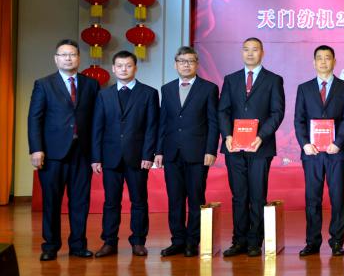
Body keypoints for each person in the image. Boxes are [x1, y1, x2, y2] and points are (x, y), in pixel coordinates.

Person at [28, 39, 100, 261]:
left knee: (80, 202)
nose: (68, 58)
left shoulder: (91, 85)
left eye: (72, 54)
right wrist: (36, 149)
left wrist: (96, 154)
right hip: (52, 154)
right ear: (56, 59)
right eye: (64, 55)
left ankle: (78, 245)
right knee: (52, 201)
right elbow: (34, 119)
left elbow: (96, 121)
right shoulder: (44, 84)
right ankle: (50, 246)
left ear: (79, 58)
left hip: (82, 153)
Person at [219, 37, 285, 257]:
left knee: (257, 195)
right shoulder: (231, 79)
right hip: (234, 147)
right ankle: (238, 241)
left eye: (254, 49)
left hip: (260, 147)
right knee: (239, 196)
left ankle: (255, 241)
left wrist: (261, 136)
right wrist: (227, 135)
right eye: (246, 49)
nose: (250, 53)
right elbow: (223, 111)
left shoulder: (273, 80)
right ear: (241, 52)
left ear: (262, 53)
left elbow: (277, 113)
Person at [90, 51, 159, 257]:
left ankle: (138, 241)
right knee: (111, 202)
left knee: (139, 201)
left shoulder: (149, 93)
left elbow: (152, 127)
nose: (124, 69)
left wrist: (148, 155)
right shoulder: (104, 95)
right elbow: (97, 128)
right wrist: (96, 157)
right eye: (119, 66)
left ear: (135, 68)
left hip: (138, 157)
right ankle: (109, 242)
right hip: (110, 157)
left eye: (128, 65)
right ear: (113, 68)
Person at [155, 46, 219, 257]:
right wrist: (158, 151)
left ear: (197, 64)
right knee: (175, 199)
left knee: (195, 199)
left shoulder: (208, 88)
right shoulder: (167, 89)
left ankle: (192, 241)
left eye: (190, 61)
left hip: (198, 153)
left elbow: (213, 122)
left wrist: (211, 150)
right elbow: (163, 121)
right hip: (171, 153)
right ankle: (177, 241)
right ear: (175, 65)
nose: (186, 65)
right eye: (182, 61)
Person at [293, 45, 344, 257]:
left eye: (327, 58)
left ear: (334, 61)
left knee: (337, 198)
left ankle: (337, 241)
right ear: (313, 62)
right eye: (319, 58)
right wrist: (304, 144)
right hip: (311, 153)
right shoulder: (304, 88)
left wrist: (338, 142)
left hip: (336, 152)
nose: (323, 62)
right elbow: (299, 119)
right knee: (313, 198)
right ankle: (312, 242)